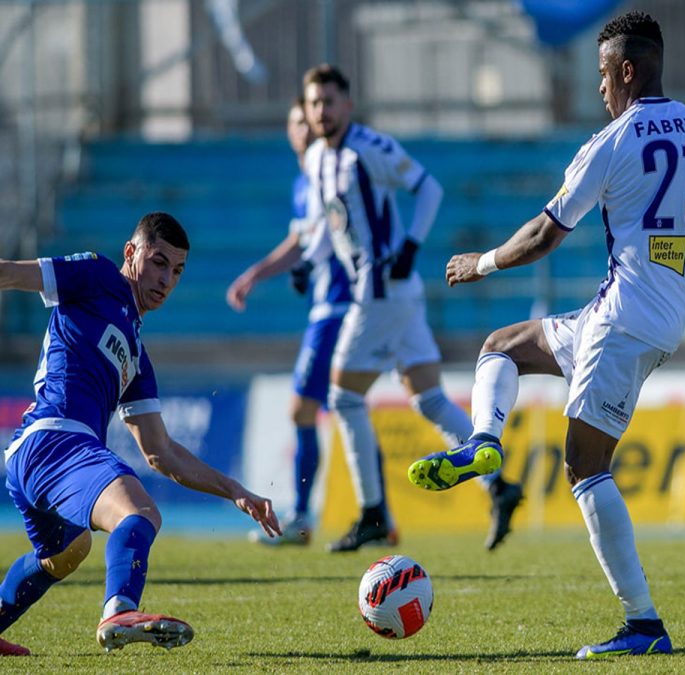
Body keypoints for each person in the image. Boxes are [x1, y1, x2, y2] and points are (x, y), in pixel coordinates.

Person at [408, 10, 685, 659]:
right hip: (638, 317)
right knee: (501, 345)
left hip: (622, 321)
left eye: (605, 76)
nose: (601, 90)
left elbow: (546, 234)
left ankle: (643, 622)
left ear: (628, 70)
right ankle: (482, 442)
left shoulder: (609, 142)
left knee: (585, 465)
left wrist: (483, 261)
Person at [0, 213, 281, 657]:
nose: (166, 279)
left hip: (35, 454)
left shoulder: (135, 354)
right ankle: (119, 610)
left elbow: (162, 453)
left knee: (68, 551)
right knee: (140, 511)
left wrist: (235, 491)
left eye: (177, 271)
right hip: (54, 439)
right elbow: (11, 273)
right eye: (158, 262)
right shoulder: (95, 274)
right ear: (130, 254)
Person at [299, 63, 523, 552]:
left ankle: (373, 512)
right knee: (430, 399)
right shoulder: (316, 157)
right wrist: (307, 261)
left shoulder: (369, 149)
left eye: (329, 101)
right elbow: (330, 223)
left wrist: (410, 247)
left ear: (347, 105)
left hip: (380, 290)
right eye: (314, 102)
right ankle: (500, 486)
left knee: (343, 398)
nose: (321, 111)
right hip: (392, 296)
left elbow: (429, 188)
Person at [226, 100, 397, 546]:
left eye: (309, 119)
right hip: (330, 304)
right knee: (347, 406)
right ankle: (380, 517)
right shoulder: (305, 182)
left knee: (306, 409)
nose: (306, 127)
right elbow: (304, 239)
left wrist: (299, 261)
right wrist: (259, 273)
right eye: (297, 121)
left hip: (341, 306)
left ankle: (304, 518)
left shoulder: (332, 172)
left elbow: (321, 236)